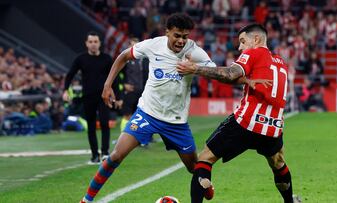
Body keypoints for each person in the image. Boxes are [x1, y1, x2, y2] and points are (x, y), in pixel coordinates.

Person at [79, 14, 262, 203]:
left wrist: (198, 69)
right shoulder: (152, 45)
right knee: (116, 155)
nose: (181, 41)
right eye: (177, 35)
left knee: (195, 167)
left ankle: (207, 187)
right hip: (147, 114)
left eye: (185, 36)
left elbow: (219, 74)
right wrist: (108, 85)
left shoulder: (195, 52)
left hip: (176, 123)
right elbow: (124, 56)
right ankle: (86, 200)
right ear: (167, 32)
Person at [176, 24, 301, 203]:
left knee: (205, 158)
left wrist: (195, 69)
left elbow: (230, 74)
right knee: (278, 163)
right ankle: (290, 201)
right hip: (272, 127)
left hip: (246, 122)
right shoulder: (280, 63)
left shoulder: (254, 53)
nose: (240, 47)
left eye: (243, 41)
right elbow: (245, 82)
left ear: (256, 40)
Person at [63, 31, 121, 164]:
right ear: (86, 43)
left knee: (105, 124)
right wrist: (66, 90)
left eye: (95, 42)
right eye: (90, 42)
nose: (93, 44)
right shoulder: (80, 59)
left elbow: (115, 78)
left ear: (99, 43)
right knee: (91, 126)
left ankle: (105, 153)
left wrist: (117, 96)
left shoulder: (106, 58)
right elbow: (70, 75)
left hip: (104, 97)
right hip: (88, 97)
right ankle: (95, 155)